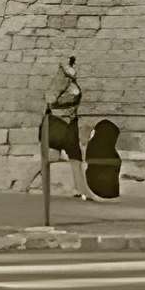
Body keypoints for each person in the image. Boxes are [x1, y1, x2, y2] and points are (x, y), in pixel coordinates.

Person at [41, 56, 85, 198]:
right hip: (61, 124)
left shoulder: (69, 81)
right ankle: (24, 184)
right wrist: (69, 101)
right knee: (64, 158)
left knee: (71, 158)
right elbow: (51, 100)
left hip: (70, 124)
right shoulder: (61, 81)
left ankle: (79, 189)